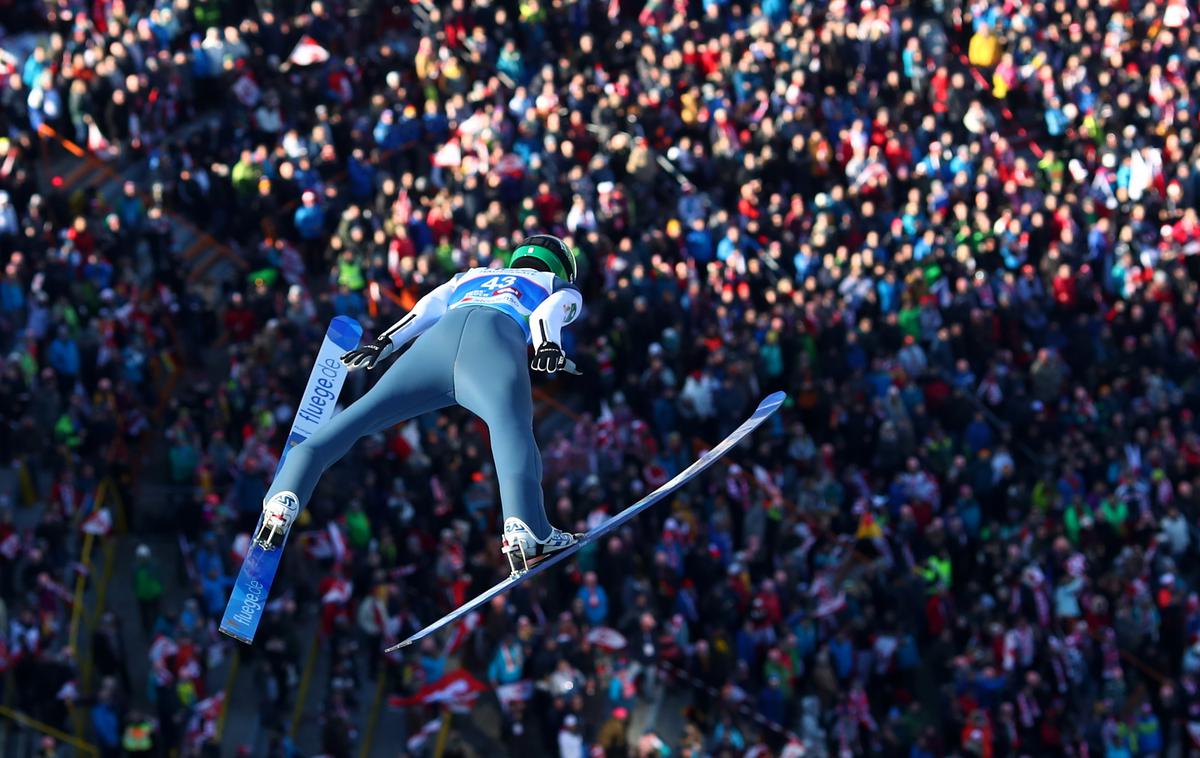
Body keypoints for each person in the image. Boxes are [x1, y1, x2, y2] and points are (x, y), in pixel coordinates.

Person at [258, 234, 585, 573]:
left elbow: (425, 309)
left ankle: (286, 492)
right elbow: (548, 312)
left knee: (362, 415)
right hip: (495, 342)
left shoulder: (472, 274)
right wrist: (549, 344)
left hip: (435, 345)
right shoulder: (557, 284)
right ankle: (526, 529)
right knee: (511, 429)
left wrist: (384, 342)